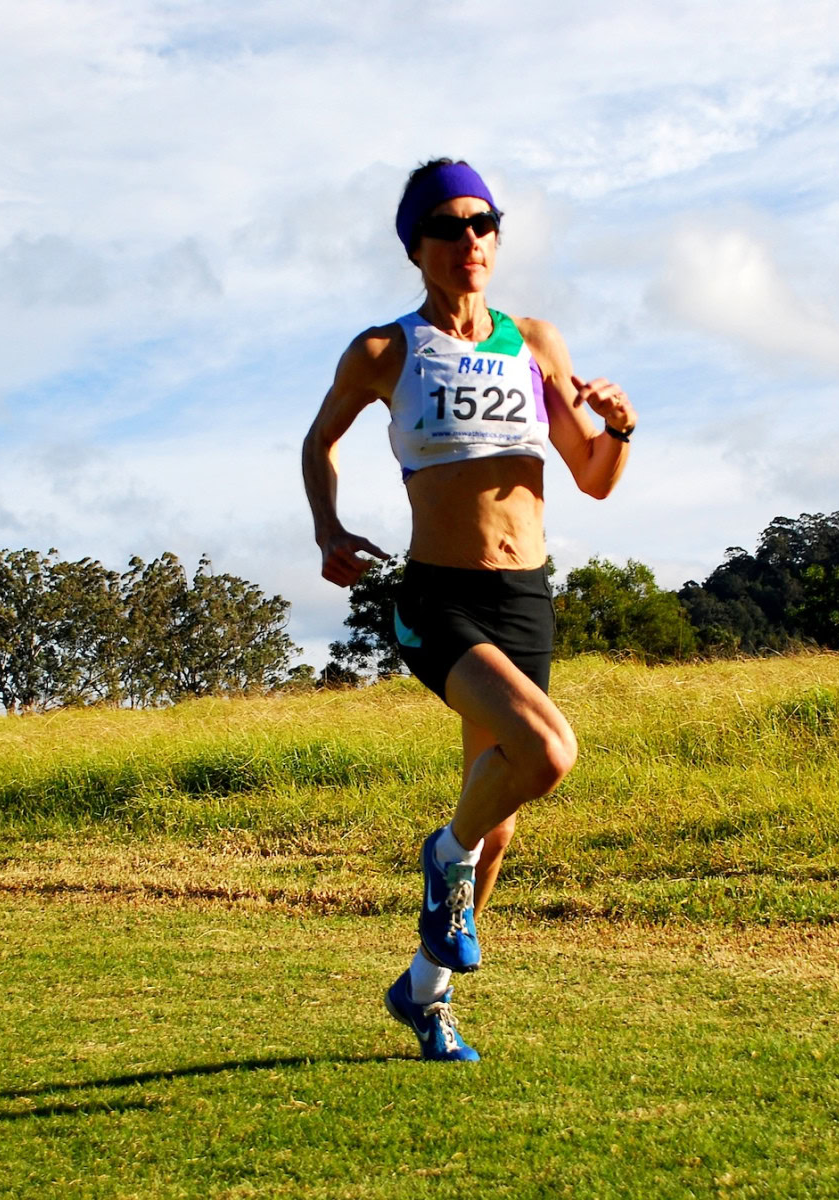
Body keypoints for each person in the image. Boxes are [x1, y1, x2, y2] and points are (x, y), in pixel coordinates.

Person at [301, 159, 637, 1062]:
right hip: (437, 597)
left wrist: (620, 429)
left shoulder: (532, 343)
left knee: (503, 827)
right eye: (448, 227)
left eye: (484, 223)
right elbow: (318, 440)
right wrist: (327, 524)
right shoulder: (386, 350)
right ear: (416, 246)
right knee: (548, 752)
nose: (470, 241)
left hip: (524, 596)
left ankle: (424, 994)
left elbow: (594, 480)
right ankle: (439, 855)